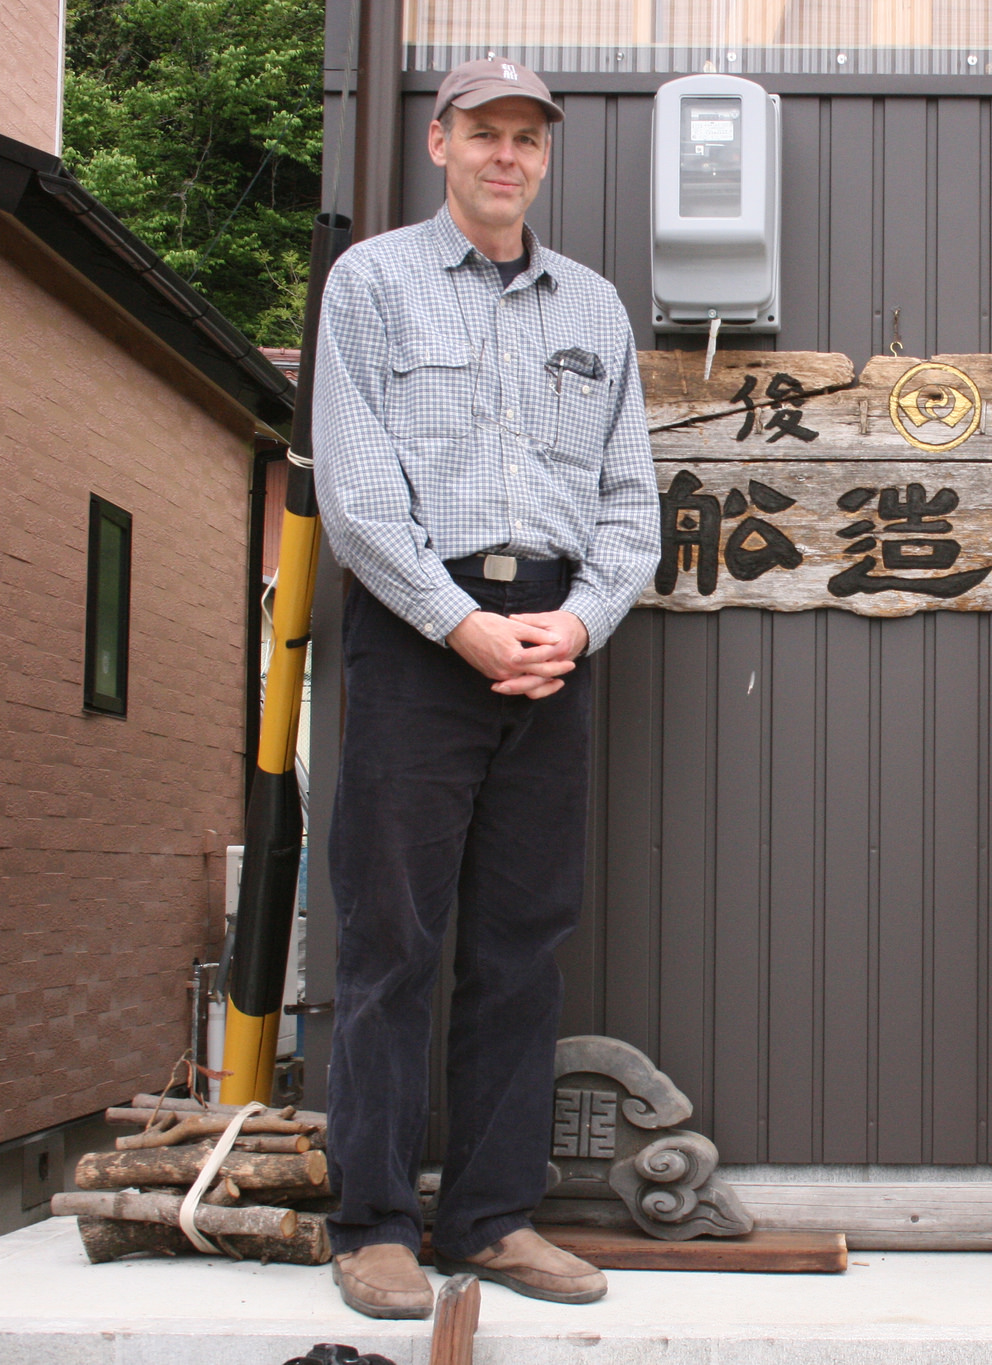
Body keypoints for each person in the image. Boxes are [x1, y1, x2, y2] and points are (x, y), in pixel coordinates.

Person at [312, 57, 658, 1319]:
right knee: (393, 941)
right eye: (483, 133)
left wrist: (574, 621)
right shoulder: (376, 284)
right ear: (440, 146)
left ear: (545, 156)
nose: (505, 155)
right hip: (418, 640)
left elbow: (631, 507)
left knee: (522, 946)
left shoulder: (594, 307)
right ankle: (374, 1226)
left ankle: (494, 1218)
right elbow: (353, 491)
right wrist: (461, 624)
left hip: (554, 644)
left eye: (526, 138)